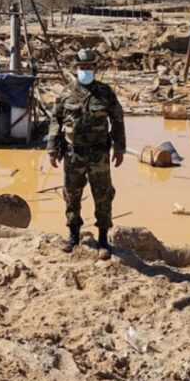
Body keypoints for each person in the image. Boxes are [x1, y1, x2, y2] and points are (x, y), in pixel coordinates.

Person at [46, 49, 125, 255]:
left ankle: (102, 241)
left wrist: (119, 148)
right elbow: (56, 120)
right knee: (72, 194)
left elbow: (117, 120)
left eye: (89, 67)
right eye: (82, 67)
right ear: (76, 68)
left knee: (103, 195)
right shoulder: (66, 93)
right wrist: (52, 148)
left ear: (95, 68)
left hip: (99, 154)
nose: (85, 71)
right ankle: (73, 235)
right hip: (73, 154)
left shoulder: (105, 93)